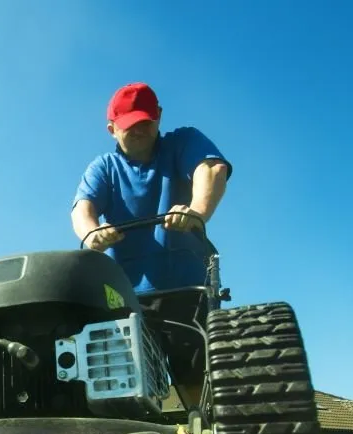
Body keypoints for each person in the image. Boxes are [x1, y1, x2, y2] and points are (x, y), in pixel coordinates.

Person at [70, 82, 233, 410]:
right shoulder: (104, 168)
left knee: (195, 381)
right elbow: (82, 209)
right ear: (111, 128)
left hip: (185, 291)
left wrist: (196, 212)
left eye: (146, 121)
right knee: (127, 388)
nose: (141, 129)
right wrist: (92, 235)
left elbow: (211, 168)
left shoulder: (182, 142)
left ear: (158, 116)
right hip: (127, 301)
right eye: (131, 125)